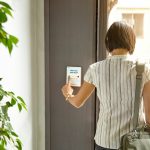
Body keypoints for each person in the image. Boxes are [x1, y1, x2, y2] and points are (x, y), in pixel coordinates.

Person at [61, 21, 150, 150]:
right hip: (134, 143)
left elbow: (77, 102)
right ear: (131, 41)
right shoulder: (143, 70)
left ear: (108, 41)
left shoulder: (95, 69)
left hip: (105, 141)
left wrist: (68, 93)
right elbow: (149, 116)